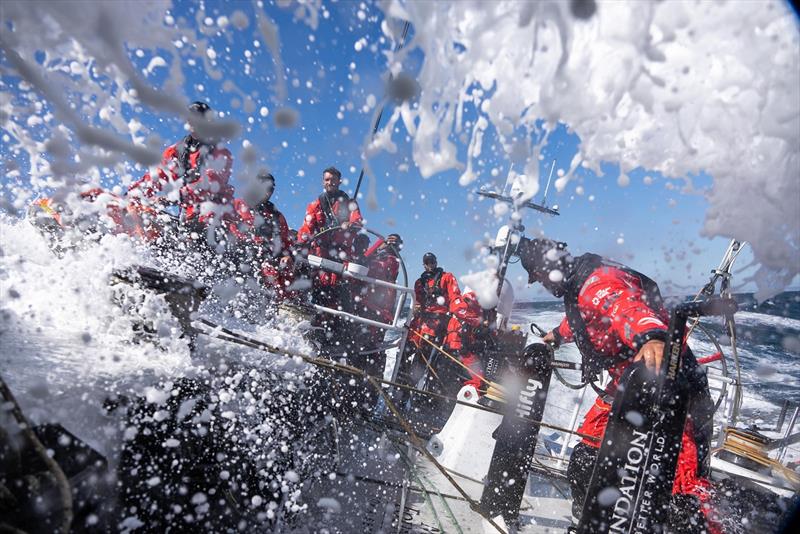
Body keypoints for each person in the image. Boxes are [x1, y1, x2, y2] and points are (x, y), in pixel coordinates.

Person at [517, 237, 718, 532]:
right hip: (628, 386)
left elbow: (625, 308)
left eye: (536, 275)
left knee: (681, 492)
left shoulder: (596, 282)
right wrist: (554, 337)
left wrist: (651, 337)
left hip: (672, 391)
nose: (537, 283)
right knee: (587, 457)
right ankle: (598, 519)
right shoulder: (580, 282)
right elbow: (585, 319)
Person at [127, 101, 234, 231]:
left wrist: (177, 196)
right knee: (147, 218)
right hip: (187, 220)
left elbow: (210, 182)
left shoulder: (220, 153)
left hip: (216, 222)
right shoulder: (178, 151)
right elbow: (160, 174)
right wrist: (135, 192)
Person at [296, 166, 363, 307]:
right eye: (327, 179)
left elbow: (357, 221)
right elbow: (306, 228)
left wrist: (350, 224)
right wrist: (299, 246)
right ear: (323, 182)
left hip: (342, 255)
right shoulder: (315, 205)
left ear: (340, 182)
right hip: (321, 253)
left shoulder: (350, 204)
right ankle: (311, 312)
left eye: (333, 180)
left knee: (341, 289)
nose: (330, 182)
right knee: (317, 286)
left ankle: (341, 319)